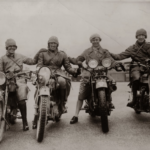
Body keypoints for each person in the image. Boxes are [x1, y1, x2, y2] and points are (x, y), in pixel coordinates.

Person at [70, 34, 119, 124]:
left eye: (97, 39)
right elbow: (79, 59)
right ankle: (76, 115)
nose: (95, 41)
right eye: (93, 40)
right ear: (91, 41)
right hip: (89, 72)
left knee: (112, 82)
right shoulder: (87, 51)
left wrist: (116, 64)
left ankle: (109, 100)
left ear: (99, 40)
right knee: (82, 92)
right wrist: (80, 63)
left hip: (103, 72)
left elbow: (111, 60)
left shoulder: (104, 51)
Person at [32, 36, 79, 128]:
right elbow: (39, 64)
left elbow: (67, 66)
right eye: (51, 43)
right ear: (48, 44)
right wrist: (38, 71)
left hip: (58, 73)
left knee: (62, 82)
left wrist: (74, 71)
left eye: (54, 43)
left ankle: (62, 104)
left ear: (57, 44)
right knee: (39, 85)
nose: (53, 45)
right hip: (45, 72)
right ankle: (36, 114)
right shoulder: (43, 53)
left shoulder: (62, 54)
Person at [0, 38, 38, 131]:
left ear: (15, 47)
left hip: (19, 79)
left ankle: (25, 123)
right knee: (1, 93)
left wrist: (39, 52)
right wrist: (5, 75)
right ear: (6, 47)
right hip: (7, 80)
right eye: (10, 46)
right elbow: (0, 71)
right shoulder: (2, 59)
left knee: (21, 97)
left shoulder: (20, 56)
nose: (12, 48)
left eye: (13, 46)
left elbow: (32, 61)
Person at [110, 28, 150, 107]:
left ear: (145, 36)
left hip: (148, 66)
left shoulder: (149, 46)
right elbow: (120, 56)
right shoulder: (132, 48)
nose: (141, 37)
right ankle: (134, 99)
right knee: (136, 78)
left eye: (142, 35)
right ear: (136, 36)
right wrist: (109, 53)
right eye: (139, 35)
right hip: (137, 66)